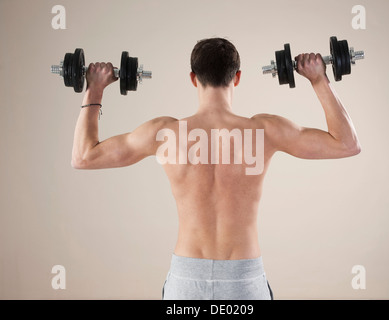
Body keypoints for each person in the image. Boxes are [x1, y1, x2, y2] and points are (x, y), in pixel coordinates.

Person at [71, 38, 361, 300]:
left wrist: (94, 87)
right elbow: (346, 145)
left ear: (193, 78)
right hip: (243, 280)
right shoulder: (265, 131)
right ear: (236, 78)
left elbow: (84, 157)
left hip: (186, 280)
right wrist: (319, 79)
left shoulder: (164, 133)